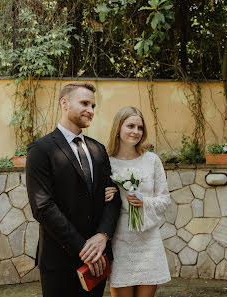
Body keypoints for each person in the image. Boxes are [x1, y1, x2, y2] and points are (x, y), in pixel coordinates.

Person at [26, 82, 122, 297]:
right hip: (59, 260)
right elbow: (42, 207)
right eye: (84, 103)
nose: (90, 110)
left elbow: (113, 198)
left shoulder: (98, 149)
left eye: (93, 106)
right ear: (65, 103)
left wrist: (103, 236)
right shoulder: (40, 150)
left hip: (97, 261)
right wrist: (83, 248)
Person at [104, 106, 171, 297]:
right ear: (118, 128)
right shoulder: (106, 161)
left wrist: (145, 201)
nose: (136, 132)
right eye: (130, 126)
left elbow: (165, 199)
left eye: (140, 127)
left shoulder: (152, 160)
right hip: (120, 239)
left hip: (149, 241)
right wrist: (103, 196)